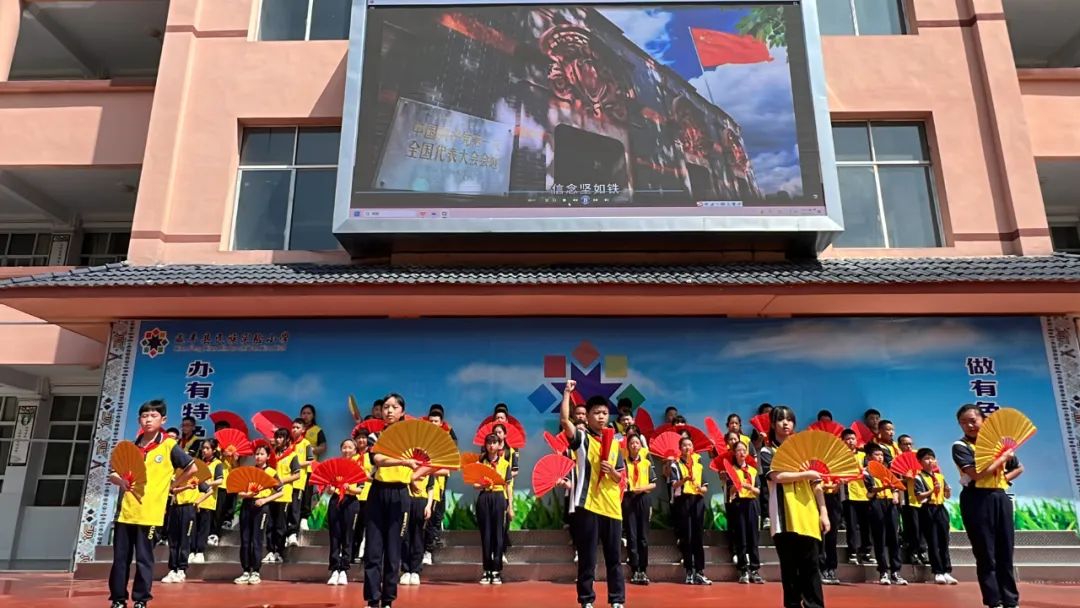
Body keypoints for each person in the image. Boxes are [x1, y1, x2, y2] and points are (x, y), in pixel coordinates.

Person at [108, 400, 196, 608]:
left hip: (151, 513)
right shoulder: (131, 446)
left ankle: (141, 600)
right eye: (144, 416)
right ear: (139, 419)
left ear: (163, 419)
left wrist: (173, 485)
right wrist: (121, 481)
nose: (148, 420)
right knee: (120, 559)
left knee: (144, 560)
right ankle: (118, 599)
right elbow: (113, 473)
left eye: (153, 416)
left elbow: (191, 469)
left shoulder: (168, 445)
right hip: (126, 512)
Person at [559, 380, 626, 608]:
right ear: (586, 416)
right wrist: (567, 393)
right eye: (596, 413)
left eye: (605, 413)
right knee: (587, 558)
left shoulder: (615, 443)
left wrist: (612, 473)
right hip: (587, 505)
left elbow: (620, 477)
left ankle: (617, 600)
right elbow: (564, 421)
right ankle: (586, 600)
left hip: (612, 507)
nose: (601, 417)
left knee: (614, 558)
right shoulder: (581, 439)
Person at [953, 404, 1023, 608]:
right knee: (985, 552)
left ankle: (1011, 600)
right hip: (976, 500)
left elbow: (1018, 467)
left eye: (973, 420)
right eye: (963, 422)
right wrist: (1001, 458)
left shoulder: (997, 444)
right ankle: (994, 600)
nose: (969, 425)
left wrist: (1002, 480)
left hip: (1000, 498)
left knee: (1005, 549)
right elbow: (976, 474)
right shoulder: (960, 446)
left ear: (983, 420)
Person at [759, 406, 828, 608]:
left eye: (789, 419)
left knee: (811, 566)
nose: (785, 423)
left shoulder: (804, 451)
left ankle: (815, 605)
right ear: (772, 424)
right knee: (790, 569)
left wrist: (823, 512)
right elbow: (776, 476)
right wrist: (806, 474)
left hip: (807, 514)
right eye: (780, 419)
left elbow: (817, 485)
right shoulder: (767, 451)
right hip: (783, 518)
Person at [365, 393, 423, 608]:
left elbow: (431, 462)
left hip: (400, 495)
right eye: (386, 407)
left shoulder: (412, 438)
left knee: (393, 550)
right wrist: (404, 461)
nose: (389, 410)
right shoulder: (375, 435)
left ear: (402, 412)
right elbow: (377, 459)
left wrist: (412, 475)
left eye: (394, 407)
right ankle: (372, 599)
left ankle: (388, 600)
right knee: (373, 550)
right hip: (378, 493)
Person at [235, 443, 284, 585]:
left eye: (262, 454)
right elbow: (239, 492)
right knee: (245, 539)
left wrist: (265, 500)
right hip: (247, 506)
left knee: (257, 539)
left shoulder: (271, 472)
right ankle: (245, 571)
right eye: (256, 454)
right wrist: (247, 494)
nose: (258, 456)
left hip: (262, 508)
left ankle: (256, 571)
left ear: (268, 456)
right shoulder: (249, 471)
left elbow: (281, 491)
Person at [863, 442, 906, 585]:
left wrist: (895, 495)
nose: (880, 457)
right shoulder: (866, 472)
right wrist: (884, 487)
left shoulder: (888, 470)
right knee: (879, 537)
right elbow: (870, 491)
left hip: (891, 505)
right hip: (876, 503)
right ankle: (883, 572)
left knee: (894, 537)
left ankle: (896, 572)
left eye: (881, 455)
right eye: (877, 455)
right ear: (869, 457)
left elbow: (895, 486)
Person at [914, 447, 956, 585]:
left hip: (941, 509)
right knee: (933, 542)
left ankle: (947, 571)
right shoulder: (918, 477)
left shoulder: (940, 476)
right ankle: (937, 571)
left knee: (944, 541)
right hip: (928, 509)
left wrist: (948, 491)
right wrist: (932, 490)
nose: (930, 461)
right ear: (920, 461)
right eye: (926, 458)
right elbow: (919, 497)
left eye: (932, 458)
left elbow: (947, 495)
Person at [475, 432, 511, 584]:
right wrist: (483, 485)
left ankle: (496, 570)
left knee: (498, 534)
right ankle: (486, 570)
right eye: (489, 442)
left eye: (494, 442)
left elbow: (508, 486)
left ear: (499, 445)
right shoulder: (480, 463)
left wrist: (510, 506)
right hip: (484, 498)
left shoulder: (505, 464)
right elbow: (475, 484)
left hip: (498, 497)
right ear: (485, 445)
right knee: (486, 534)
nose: (491, 445)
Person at [162, 446, 202, 584]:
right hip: (175, 507)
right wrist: (180, 487)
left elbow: (207, 489)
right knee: (173, 539)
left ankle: (182, 569)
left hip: (188, 508)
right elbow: (171, 490)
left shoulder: (196, 476)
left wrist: (198, 502)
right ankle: (172, 568)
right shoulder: (175, 474)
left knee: (185, 539)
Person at [327, 438, 363, 586]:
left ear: (355, 450)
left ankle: (344, 570)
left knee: (348, 537)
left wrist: (348, 488)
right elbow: (329, 486)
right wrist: (330, 489)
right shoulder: (334, 466)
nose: (347, 450)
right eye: (344, 447)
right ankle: (334, 569)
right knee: (335, 536)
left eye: (350, 447)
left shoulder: (358, 467)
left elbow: (360, 489)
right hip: (336, 502)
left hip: (351, 503)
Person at [726, 440, 763, 584]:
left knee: (753, 537)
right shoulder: (732, 470)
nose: (741, 452)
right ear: (734, 454)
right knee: (741, 537)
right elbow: (730, 490)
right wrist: (736, 486)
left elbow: (759, 490)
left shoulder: (753, 470)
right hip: (739, 504)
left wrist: (749, 487)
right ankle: (743, 570)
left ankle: (755, 569)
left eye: (744, 450)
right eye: (738, 450)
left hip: (752, 503)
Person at [623, 432, 655, 585]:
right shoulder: (623, 462)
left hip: (643, 498)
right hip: (629, 499)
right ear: (628, 447)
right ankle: (634, 569)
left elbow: (653, 483)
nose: (634, 445)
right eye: (631, 443)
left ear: (641, 446)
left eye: (637, 442)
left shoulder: (647, 462)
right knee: (632, 535)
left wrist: (641, 488)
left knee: (643, 536)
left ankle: (643, 569)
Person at [266, 428, 301, 564]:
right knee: (269, 525)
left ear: (287, 440)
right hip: (270, 494)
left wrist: (281, 480)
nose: (279, 440)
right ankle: (270, 550)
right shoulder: (271, 455)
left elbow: (297, 475)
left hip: (284, 494)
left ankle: (279, 552)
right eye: (277, 437)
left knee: (280, 526)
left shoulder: (292, 455)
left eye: (282, 437)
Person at [399, 461, 435, 586]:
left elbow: (431, 488)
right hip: (406, 501)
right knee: (405, 535)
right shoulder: (406, 465)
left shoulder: (428, 468)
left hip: (422, 502)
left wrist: (429, 506)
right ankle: (405, 570)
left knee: (418, 537)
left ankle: (415, 570)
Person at [424, 405, 452, 563]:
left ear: (441, 423)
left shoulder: (446, 443)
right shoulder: (422, 439)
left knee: (435, 518)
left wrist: (428, 469)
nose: (433, 423)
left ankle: (428, 550)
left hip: (438, 486)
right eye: (431, 421)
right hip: (423, 486)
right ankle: (422, 551)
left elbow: (447, 470)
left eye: (436, 421)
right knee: (424, 520)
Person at [840, 429, 872, 566]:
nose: (850, 441)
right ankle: (852, 552)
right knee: (851, 526)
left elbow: (870, 471)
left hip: (864, 494)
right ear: (842, 441)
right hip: (849, 495)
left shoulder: (864, 455)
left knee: (866, 526)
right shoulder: (839, 456)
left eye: (852, 438)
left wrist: (865, 471)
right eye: (847, 439)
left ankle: (866, 552)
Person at [191, 439, 224, 564]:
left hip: (208, 500)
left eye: (207, 448)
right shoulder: (198, 462)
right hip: (195, 499)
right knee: (193, 527)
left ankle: (200, 552)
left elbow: (220, 481)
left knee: (204, 528)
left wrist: (206, 482)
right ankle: (191, 550)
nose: (204, 450)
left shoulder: (217, 464)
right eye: (203, 448)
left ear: (214, 450)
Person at [897, 434, 926, 564]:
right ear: (899, 445)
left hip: (922, 497)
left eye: (910, 444)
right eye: (905, 444)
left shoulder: (919, 459)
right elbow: (894, 481)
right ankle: (912, 552)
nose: (908, 446)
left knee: (922, 526)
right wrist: (905, 479)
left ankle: (923, 551)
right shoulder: (896, 461)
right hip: (907, 498)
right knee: (911, 526)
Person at [298, 404, 327, 532]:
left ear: (313, 415)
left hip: (309, 468)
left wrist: (311, 450)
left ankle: (304, 519)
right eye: (303, 413)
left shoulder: (317, 430)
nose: (306, 415)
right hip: (295, 468)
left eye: (308, 413)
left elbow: (323, 447)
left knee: (306, 495)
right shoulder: (297, 429)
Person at [287, 418, 315, 548]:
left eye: (297, 427)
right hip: (287, 481)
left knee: (295, 508)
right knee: (286, 508)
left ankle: (293, 533)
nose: (294, 430)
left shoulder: (306, 443)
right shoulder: (288, 443)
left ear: (303, 429)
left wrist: (295, 464)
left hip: (299, 480)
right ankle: (285, 534)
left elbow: (310, 460)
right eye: (293, 427)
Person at [351, 429, 375, 564]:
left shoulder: (372, 456)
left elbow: (377, 474)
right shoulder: (353, 458)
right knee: (356, 526)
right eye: (358, 438)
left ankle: (367, 554)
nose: (361, 440)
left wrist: (367, 477)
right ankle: (353, 553)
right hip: (355, 495)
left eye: (364, 438)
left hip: (369, 495)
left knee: (370, 527)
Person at [212, 419, 237, 539]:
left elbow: (237, 467)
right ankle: (213, 533)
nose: (222, 432)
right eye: (219, 430)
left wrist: (235, 458)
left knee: (224, 509)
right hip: (214, 482)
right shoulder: (212, 446)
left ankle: (219, 531)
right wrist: (222, 454)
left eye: (224, 430)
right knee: (214, 511)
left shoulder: (233, 447)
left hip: (228, 481)